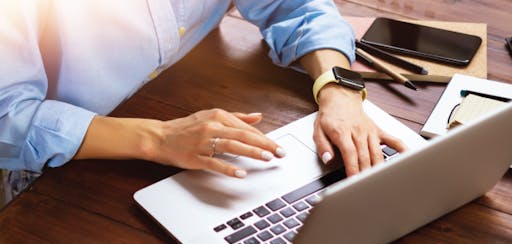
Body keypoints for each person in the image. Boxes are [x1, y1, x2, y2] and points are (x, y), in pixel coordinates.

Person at [0, 0, 405, 185]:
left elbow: (295, 7)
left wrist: (339, 89)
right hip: (40, 174)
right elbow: (8, 118)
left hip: (169, 103)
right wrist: (157, 137)